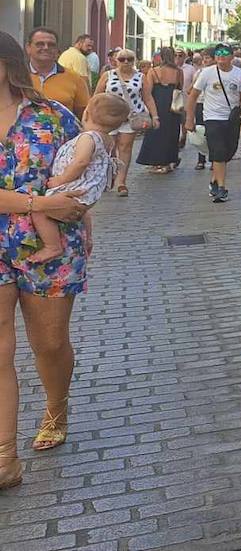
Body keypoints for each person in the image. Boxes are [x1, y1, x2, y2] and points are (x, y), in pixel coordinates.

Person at [0, 29, 89, 491]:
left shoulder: (51, 116)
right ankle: (5, 456)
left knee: (49, 344)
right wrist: (36, 205)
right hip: (15, 234)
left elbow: (89, 168)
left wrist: (82, 211)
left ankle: (57, 403)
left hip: (51, 250)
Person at [42, 93, 127, 263]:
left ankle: (52, 246)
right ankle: (87, 238)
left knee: (40, 210)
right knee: (84, 213)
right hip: (89, 192)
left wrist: (61, 180)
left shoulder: (88, 137)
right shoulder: (108, 139)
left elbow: (81, 162)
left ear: (86, 113)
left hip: (75, 187)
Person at [185, 44, 241, 203]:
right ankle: (222, 187)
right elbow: (193, 96)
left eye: (225, 53)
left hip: (232, 118)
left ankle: (215, 179)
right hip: (212, 118)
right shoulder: (207, 73)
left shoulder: (240, 74)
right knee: (219, 151)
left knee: (229, 151)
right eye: (218, 53)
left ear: (231, 56)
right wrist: (189, 118)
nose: (221, 55)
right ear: (215, 57)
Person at [95, 49, 155, 198]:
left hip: (131, 118)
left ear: (134, 61)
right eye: (122, 59)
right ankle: (108, 177)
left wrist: (155, 116)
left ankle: (121, 182)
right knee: (108, 148)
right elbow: (97, 96)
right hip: (109, 117)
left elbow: (148, 98)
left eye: (130, 59)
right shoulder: (107, 75)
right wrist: (92, 114)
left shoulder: (141, 77)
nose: (126, 62)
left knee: (125, 148)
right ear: (116, 60)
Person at [136, 48, 183, 174]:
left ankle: (156, 161)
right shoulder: (178, 72)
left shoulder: (153, 71)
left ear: (161, 57)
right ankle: (169, 161)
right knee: (171, 133)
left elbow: (148, 90)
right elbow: (180, 88)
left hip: (157, 103)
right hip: (172, 104)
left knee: (155, 133)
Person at [26, 28, 89, 119]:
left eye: (51, 45)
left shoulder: (75, 79)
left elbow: (83, 116)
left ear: (57, 49)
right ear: (28, 47)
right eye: (40, 44)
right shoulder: (16, 76)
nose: (46, 47)